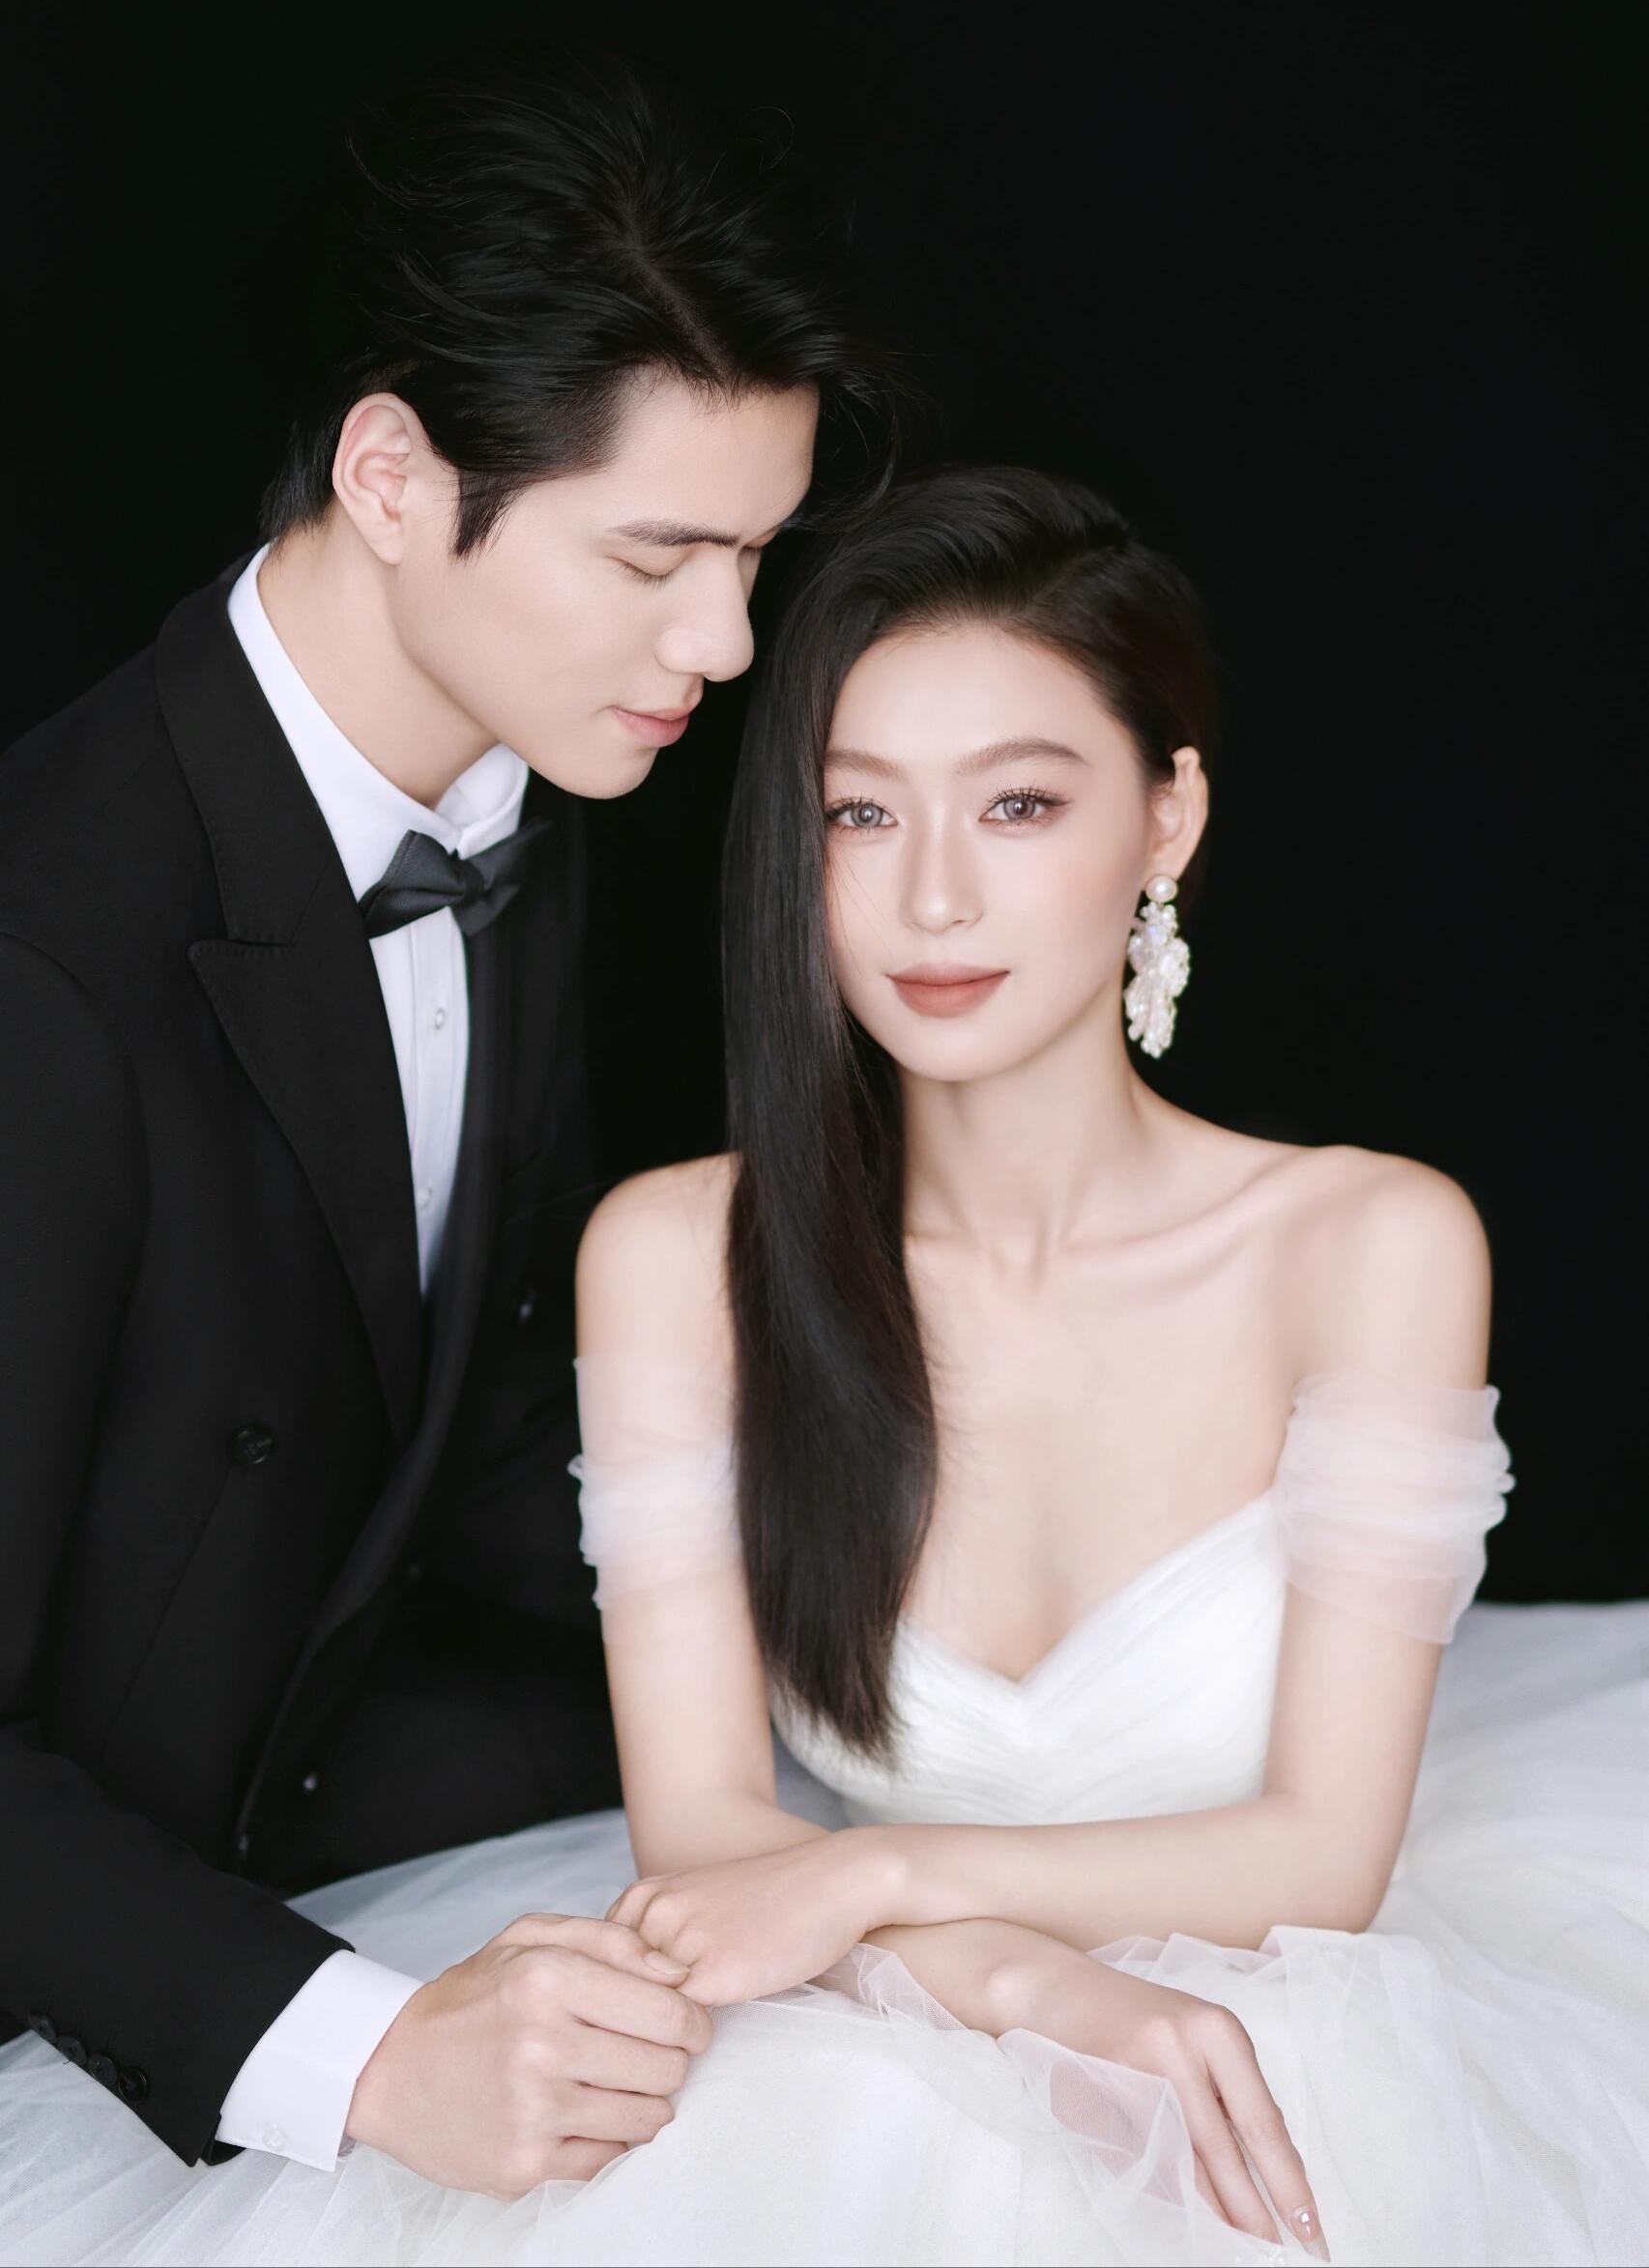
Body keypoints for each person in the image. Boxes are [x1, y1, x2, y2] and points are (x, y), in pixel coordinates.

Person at [6, 471, 1644, 2266]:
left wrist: (869, 1870)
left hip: (1287, 2007)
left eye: (1018, 804)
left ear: (1165, 818)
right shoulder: (677, 1262)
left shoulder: (1369, 1244)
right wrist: (1011, 1979)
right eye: (860, 813)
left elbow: (1321, 1850)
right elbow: (707, 1835)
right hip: (860, 2024)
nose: (933, 897)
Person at [0, 38, 910, 2203]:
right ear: (393, 473)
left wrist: (884, 1588)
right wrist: (373, 2054)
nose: (726, 643)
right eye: (658, 554)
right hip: (109, 1964)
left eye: (755, 555)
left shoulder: (520, 777)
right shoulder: (42, 965)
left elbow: (453, 1413)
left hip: (360, 1780)